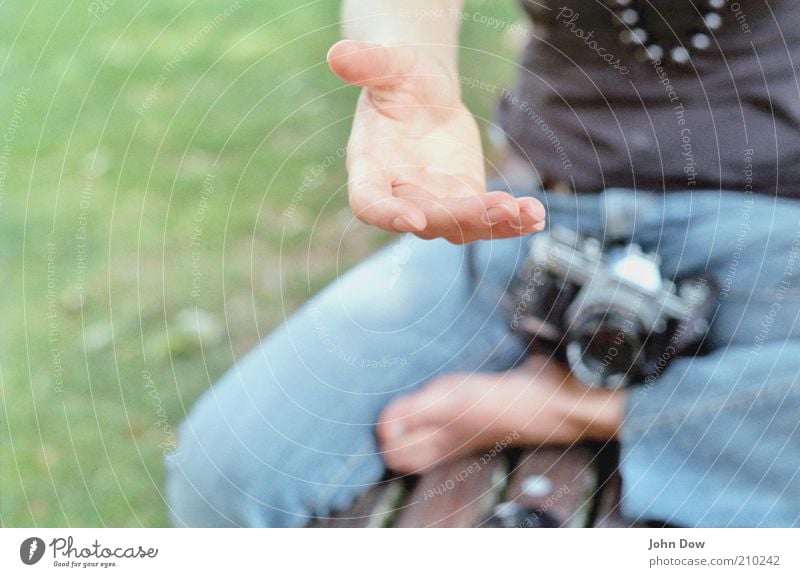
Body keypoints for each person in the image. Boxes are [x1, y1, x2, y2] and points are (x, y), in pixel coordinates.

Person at [165, 0, 800, 527]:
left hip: (778, 233)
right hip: (541, 218)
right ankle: (703, 419)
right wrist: (409, 64)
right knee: (227, 470)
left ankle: (574, 407)